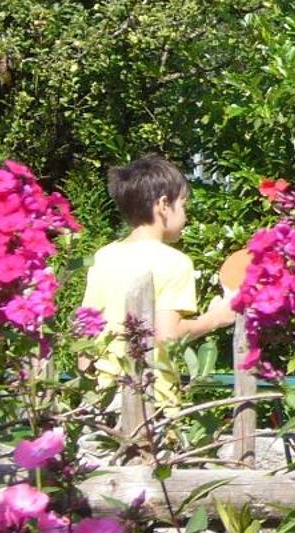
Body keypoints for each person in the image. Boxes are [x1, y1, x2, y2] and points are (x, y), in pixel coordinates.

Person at [80, 155, 237, 394]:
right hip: (153, 400)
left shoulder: (103, 257)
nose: (185, 216)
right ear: (164, 205)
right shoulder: (175, 262)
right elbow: (167, 335)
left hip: (105, 397)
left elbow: (85, 335)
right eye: (183, 205)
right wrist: (216, 318)